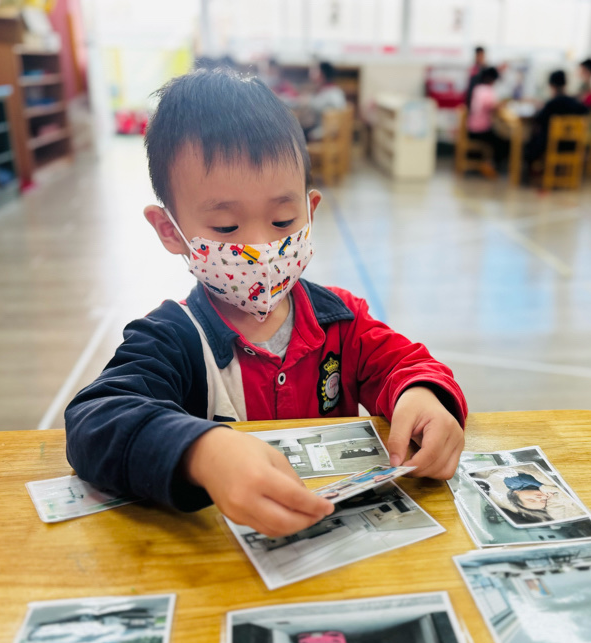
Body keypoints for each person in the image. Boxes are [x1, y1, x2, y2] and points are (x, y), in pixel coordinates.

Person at [64, 69, 467, 538]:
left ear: (309, 212)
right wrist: (201, 452)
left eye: (282, 220)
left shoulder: (341, 320)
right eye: (226, 228)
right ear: (170, 230)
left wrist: (423, 396)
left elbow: (406, 364)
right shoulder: (171, 338)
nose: (259, 246)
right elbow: (95, 421)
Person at [526, 70, 589, 164]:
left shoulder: (552, 104)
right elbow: (586, 112)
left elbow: (539, 119)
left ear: (551, 85)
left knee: (532, 140)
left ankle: (532, 168)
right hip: (573, 145)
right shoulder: (575, 103)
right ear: (565, 84)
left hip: (552, 145)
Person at [467, 66, 505, 170]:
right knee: (502, 142)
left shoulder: (478, 89)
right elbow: (493, 106)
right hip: (480, 129)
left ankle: (489, 164)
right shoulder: (488, 90)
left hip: (471, 127)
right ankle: (493, 166)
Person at [302, 61, 347, 141]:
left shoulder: (333, 92)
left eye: (315, 70)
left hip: (328, 132)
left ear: (322, 74)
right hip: (322, 128)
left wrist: (308, 101)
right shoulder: (322, 90)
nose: (310, 72)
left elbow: (339, 115)